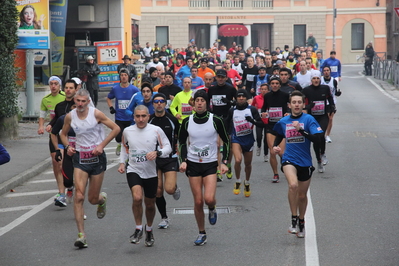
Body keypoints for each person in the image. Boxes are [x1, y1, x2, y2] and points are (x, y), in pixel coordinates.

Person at [60, 89, 119, 249]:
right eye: (77, 101)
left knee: (92, 199)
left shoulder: (96, 114)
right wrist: (68, 146)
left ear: (88, 101)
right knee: (79, 196)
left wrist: (101, 145)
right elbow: (63, 134)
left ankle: (102, 200)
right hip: (80, 158)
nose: (80, 104)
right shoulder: (70, 116)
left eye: (83, 101)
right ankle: (82, 235)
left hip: (97, 158)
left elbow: (116, 129)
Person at [178, 90, 230, 245]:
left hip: (210, 164)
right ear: (193, 103)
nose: (200, 103)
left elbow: (226, 141)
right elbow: (181, 142)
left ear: (207, 103)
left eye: (202, 100)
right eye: (197, 100)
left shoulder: (216, 120)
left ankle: (212, 208)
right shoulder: (187, 121)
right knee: (198, 201)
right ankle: (202, 232)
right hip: (193, 164)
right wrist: (183, 160)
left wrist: (224, 163)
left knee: (208, 198)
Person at [118, 105, 171, 247]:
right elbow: (124, 147)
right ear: (134, 117)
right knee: (137, 197)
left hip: (151, 172)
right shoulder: (127, 131)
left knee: (150, 204)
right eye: (137, 116)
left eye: (143, 116)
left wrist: (158, 153)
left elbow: (168, 147)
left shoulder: (156, 130)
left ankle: (149, 229)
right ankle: (138, 228)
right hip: (134, 169)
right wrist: (122, 163)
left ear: (148, 116)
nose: (140, 119)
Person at [272, 90, 323, 238]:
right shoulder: (284, 121)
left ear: (303, 104)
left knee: (302, 195)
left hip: (305, 162)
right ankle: (293, 220)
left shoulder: (308, 120)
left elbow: (317, 139)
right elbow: (279, 135)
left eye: (299, 102)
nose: (296, 104)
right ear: (289, 105)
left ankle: (302, 222)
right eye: (294, 102)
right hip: (289, 159)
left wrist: (301, 130)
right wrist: (276, 146)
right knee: (293, 185)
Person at [149, 94, 181, 229]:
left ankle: (174, 188)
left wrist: (179, 150)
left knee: (168, 189)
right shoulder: (149, 120)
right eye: (156, 102)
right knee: (157, 191)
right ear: (153, 104)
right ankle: (164, 218)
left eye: (162, 101)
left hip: (170, 158)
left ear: (165, 104)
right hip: (154, 160)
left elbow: (179, 137)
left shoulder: (172, 120)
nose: (159, 104)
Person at [225, 89, 264, 197]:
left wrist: (252, 121)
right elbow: (227, 122)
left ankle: (247, 182)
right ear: (236, 98)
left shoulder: (252, 109)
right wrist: (227, 134)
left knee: (248, 164)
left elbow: (260, 123)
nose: (241, 98)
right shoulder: (232, 110)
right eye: (239, 96)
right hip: (236, 138)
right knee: (238, 160)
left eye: (243, 97)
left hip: (248, 139)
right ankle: (238, 181)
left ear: (246, 98)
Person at [49, 79, 78, 206]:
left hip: (72, 141)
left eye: (71, 88)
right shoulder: (59, 105)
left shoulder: (79, 104)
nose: (68, 90)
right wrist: (50, 125)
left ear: (75, 89)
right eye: (66, 87)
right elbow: (56, 120)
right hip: (58, 139)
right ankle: (61, 193)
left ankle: (70, 186)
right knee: (57, 163)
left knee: (67, 166)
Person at [38, 76, 66, 204]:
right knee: (56, 163)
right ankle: (61, 192)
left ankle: (68, 184)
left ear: (60, 86)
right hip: (54, 134)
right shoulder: (46, 99)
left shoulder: (65, 97)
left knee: (63, 162)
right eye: (51, 84)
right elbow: (42, 115)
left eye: (56, 84)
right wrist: (41, 127)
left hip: (66, 133)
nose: (53, 86)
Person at [301, 70, 335, 173]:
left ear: (320, 79)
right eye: (314, 79)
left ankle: (323, 153)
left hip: (323, 116)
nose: (316, 80)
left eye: (317, 78)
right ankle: (319, 160)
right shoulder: (306, 90)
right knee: (316, 138)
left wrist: (331, 108)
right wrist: (308, 106)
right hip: (312, 118)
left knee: (321, 135)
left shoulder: (325, 88)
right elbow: (302, 104)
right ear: (311, 80)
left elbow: (330, 100)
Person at [261, 75, 290, 183]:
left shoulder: (285, 95)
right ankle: (275, 174)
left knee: (281, 152)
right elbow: (264, 107)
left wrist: (288, 112)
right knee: (273, 152)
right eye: (272, 83)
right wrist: (263, 113)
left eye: (277, 83)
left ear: (279, 85)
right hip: (270, 126)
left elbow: (288, 106)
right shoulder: (267, 95)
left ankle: (286, 166)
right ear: (270, 85)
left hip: (281, 126)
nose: (274, 85)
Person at [107, 69, 140, 155]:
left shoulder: (134, 89)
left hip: (130, 117)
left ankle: (128, 153)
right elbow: (108, 98)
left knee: (129, 137)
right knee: (118, 136)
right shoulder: (115, 88)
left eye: (125, 75)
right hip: (119, 117)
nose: (124, 77)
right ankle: (119, 144)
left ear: (128, 77)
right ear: (120, 77)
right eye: (122, 75)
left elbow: (139, 99)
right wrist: (111, 107)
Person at [321, 66, 341, 143]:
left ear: (330, 71)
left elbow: (335, 92)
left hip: (331, 102)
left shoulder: (334, 81)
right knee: (323, 119)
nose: (326, 72)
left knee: (330, 119)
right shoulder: (320, 80)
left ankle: (327, 135)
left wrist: (338, 93)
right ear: (323, 72)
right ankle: (321, 134)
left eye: (327, 70)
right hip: (322, 102)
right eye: (325, 70)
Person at [251, 83, 269, 162]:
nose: (264, 91)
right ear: (260, 90)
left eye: (265, 89)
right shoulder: (256, 98)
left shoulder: (270, 98)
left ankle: (266, 154)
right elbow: (252, 107)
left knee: (266, 139)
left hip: (268, 121)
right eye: (262, 89)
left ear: (268, 90)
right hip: (259, 120)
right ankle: (258, 146)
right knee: (259, 136)